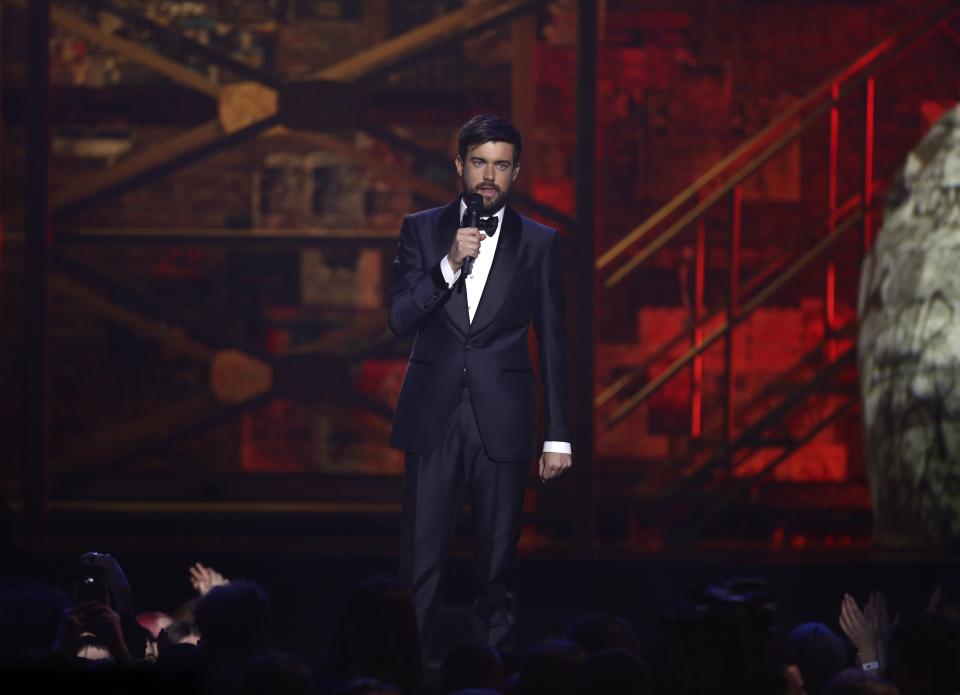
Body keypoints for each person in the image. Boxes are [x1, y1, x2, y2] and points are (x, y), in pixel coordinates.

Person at [388, 114, 573, 656]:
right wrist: (447, 265)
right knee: (419, 566)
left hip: (504, 422)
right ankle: (408, 676)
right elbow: (399, 318)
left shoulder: (539, 243)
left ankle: (489, 675)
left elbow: (554, 340)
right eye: (479, 163)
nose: (489, 175)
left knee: (497, 568)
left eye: (501, 165)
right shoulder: (421, 230)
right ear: (459, 166)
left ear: (515, 173)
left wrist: (557, 434)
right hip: (433, 418)